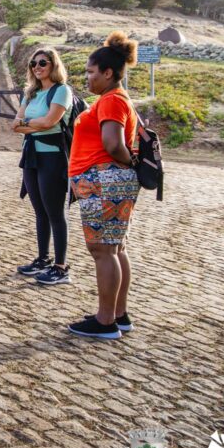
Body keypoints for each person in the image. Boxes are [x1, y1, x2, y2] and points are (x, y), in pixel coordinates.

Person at [67, 32, 140, 340]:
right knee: (114, 248)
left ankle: (105, 319)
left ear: (108, 73)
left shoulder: (111, 101)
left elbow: (113, 143)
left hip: (103, 179)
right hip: (107, 178)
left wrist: (124, 164)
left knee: (103, 250)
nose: (88, 78)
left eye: (91, 72)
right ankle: (118, 314)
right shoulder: (114, 100)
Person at [12, 47, 74, 286]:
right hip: (32, 156)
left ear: (53, 65)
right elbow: (15, 126)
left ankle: (61, 266)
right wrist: (34, 125)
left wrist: (29, 123)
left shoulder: (62, 91)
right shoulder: (31, 93)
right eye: (33, 64)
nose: (37, 68)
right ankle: (43, 259)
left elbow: (50, 121)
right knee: (40, 211)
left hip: (53, 158)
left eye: (42, 63)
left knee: (55, 212)